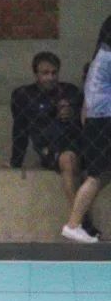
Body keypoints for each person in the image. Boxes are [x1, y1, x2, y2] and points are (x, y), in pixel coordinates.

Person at [11, 52, 85, 226]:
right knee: (67, 160)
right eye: (45, 73)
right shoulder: (25, 95)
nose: (50, 77)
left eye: (54, 73)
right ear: (36, 74)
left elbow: (82, 123)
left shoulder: (70, 91)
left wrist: (71, 114)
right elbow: (20, 129)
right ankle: (79, 221)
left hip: (75, 143)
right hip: (50, 147)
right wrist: (16, 160)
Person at [63, 17, 111, 243]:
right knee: (95, 176)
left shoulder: (101, 56)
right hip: (103, 122)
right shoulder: (108, 58)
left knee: (102, 174)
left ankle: (76, 223)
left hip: (98, 120)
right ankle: (73, 224)